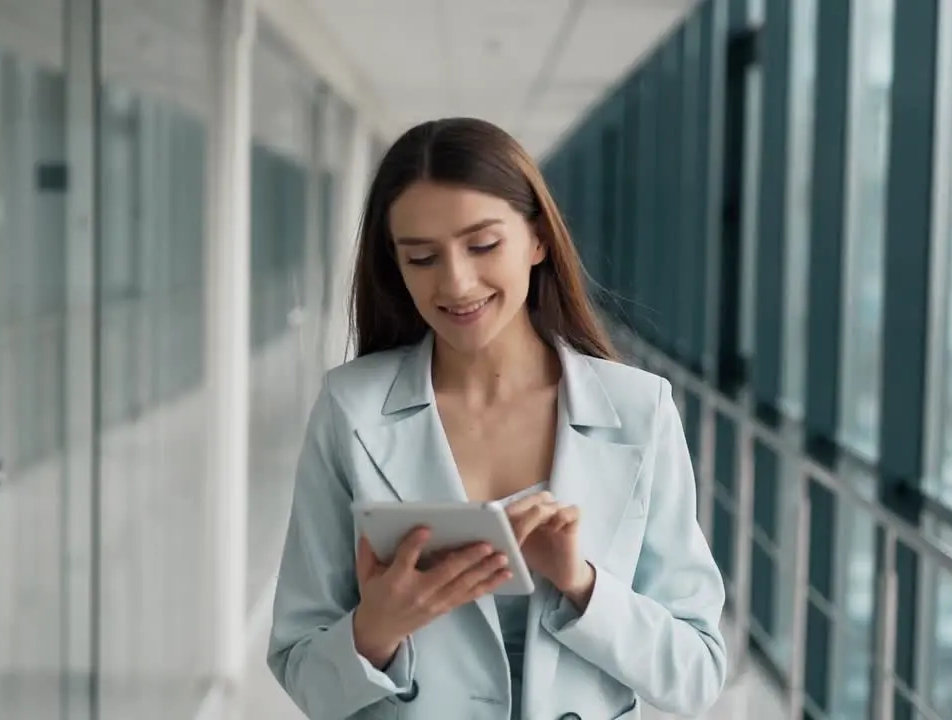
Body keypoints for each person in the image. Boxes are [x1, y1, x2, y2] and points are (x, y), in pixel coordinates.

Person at [267, 117, 727, 720]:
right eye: (422, 257)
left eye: (483, 245)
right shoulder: (348, 411)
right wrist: (375, 631)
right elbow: (301, 669)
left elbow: (697, 674)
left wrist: (582, 584)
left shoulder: (641, 411)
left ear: (537, 240)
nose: (456, 282)